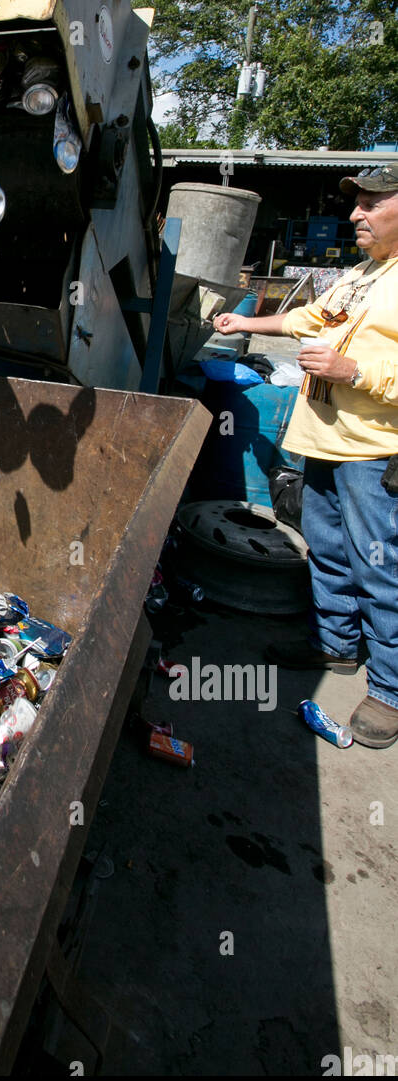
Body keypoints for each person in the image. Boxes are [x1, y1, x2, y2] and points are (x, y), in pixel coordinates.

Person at [213, 162, 398, 749]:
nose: (355, 215)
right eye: (357, 202)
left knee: (381, 567)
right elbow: (309, 318)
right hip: (323, 442)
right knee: (329, 549)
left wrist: (355, 371)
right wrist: (248, 319)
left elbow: (363, 364)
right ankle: (337, 644)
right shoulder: (362, 275)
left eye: (371, 203)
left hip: (374, 450)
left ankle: (390, 691)